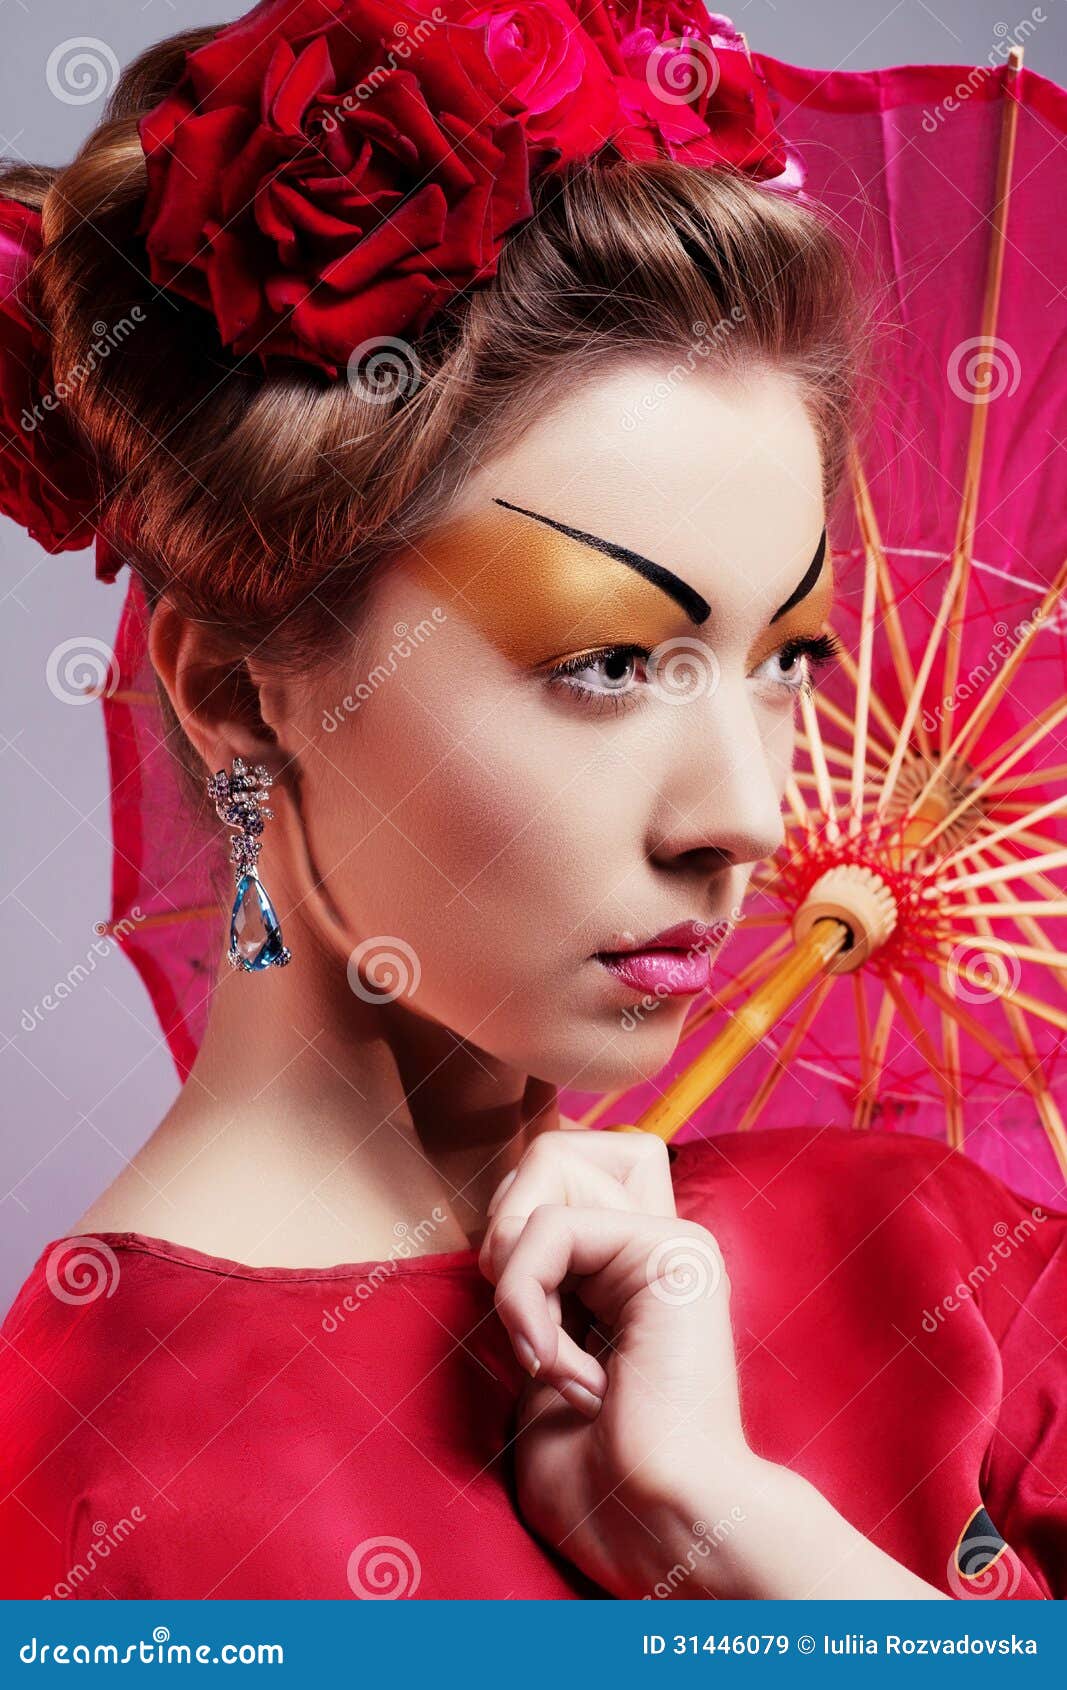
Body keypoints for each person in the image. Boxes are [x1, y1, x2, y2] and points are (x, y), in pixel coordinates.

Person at [1, 2, 1065, 1602]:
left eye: (784, 659)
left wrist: (735, 1531)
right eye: (606, 661)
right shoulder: (88, 1514)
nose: (750, 815)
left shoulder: (938, 1262)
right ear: (234, 689)